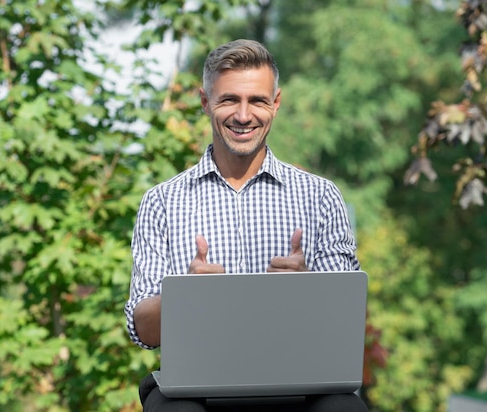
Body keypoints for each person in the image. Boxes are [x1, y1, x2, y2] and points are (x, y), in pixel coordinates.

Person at [124, 39, 368, 412]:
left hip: (301, 387)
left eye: (257, 100)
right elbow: (142, 329)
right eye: (228, 100)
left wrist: (307, 293)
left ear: (276, 103)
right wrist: (187, 299)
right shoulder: (162, 202)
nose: (243, 115)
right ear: (205, 103)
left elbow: (346, 331)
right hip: (196, 392)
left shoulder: (320, 197)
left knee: (344, 408)